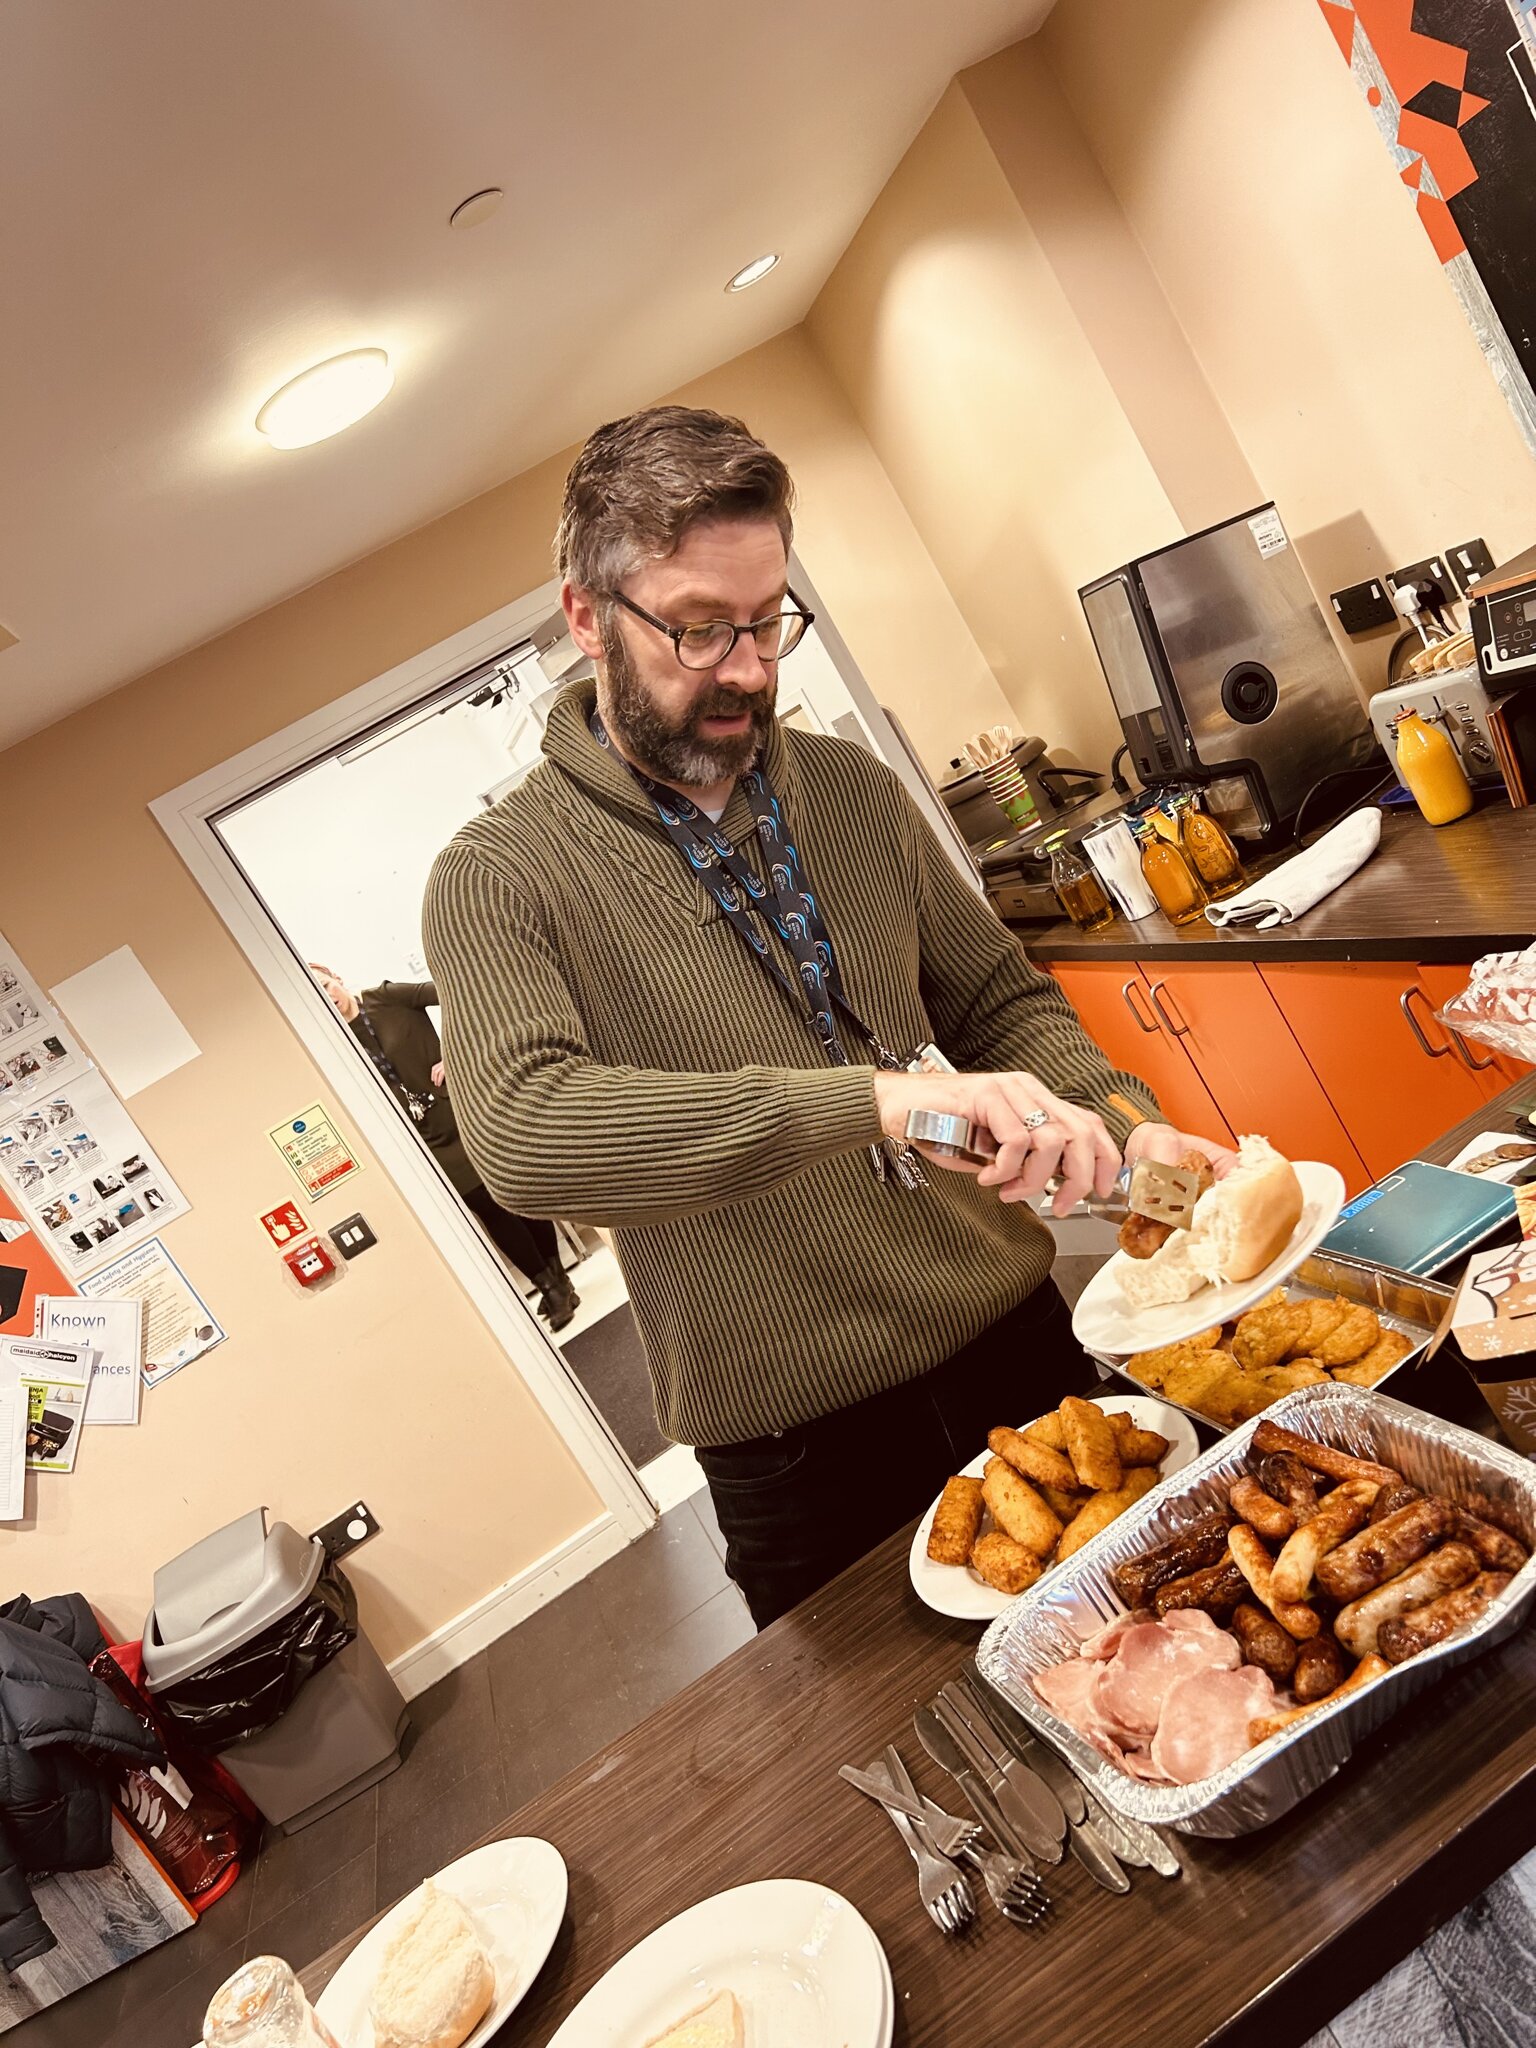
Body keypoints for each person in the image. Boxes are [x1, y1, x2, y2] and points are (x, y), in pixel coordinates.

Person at [422, 405, 1233, 1628]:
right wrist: (878, 1101)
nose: (748, 667)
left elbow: (1002, 1003)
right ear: (586, 616)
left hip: (1024, 1350)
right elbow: (525, 1135)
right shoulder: (499, 874)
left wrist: (1133, 1132)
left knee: (1164, 1654)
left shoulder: (851, 791)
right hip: (801, 1456)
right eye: (699, 628)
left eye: (767, 622)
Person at [309, 967, 580, 1331]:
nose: (329, 997)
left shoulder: (387, 997)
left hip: (463, 1112)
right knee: (487, 1207)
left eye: (326, 986)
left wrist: (456, 1053)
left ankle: (557, 1282)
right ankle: (548, 1283)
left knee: (516, 1191)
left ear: (335, 976)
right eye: (317, 994)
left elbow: (461, 994)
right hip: (424, 1138)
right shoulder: (336, 1042)